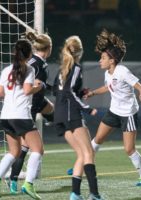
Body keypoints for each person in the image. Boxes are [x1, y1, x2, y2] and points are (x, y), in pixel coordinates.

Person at [85, 29, 141, 186]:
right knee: (97, 139)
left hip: (128, 114)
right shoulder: (108, 72)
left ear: (112, 60)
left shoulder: (123, 71)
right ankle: (83, 166)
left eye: (103, 58)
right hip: (113, 111)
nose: (100, 60)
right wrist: (93, 93)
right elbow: (108, 87)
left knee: (129, 149)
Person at [0, 39, 44, 199]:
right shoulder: (29, 69)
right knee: (38, 150)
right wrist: (39, 86)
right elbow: (28, 90)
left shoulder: (7, 70)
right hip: (20, 115)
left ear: (15, 52)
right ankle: (28, 184)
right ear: (29, 54)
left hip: (6, 115)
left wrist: (13, 93)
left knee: (14, 151)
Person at [53, 36, 103, 200]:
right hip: (71, 114)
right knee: (89, 153)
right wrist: (87, 108)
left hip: (59, 115)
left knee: (82, 155)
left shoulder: (62, 69)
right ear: (79, 52)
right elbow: (69, 92)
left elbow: (58, 91)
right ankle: (94, 194)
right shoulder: (75, 68)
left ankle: (75, 194)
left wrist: (81, 93)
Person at [7, 31, 53, 194]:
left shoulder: (38, 62)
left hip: (38, 101)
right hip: (30, 106)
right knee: (25, 147)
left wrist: (50, 88)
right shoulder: (36, 64)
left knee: (56, 112)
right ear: (48, 48)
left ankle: (67, 133)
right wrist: (43, 87)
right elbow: (31, 85)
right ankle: (12, 179)